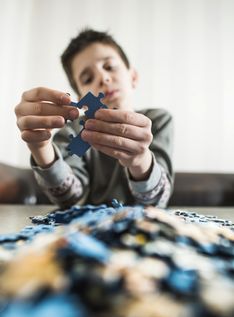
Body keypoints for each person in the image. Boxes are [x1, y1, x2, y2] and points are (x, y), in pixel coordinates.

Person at [15, 28, 173, 208]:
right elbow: (69, 198)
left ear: (133, 76)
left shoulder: (158, 120)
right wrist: (41, 148)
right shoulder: (72, 131)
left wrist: (140, 161)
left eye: (110, 67)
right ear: (80, 96)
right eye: (88, 78)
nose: (103, 78)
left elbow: (159, 201)